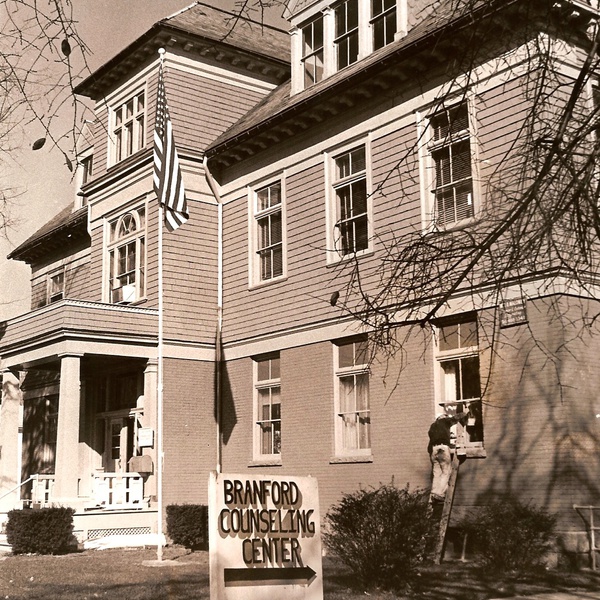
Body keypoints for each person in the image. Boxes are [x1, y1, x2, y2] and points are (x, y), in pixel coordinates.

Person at [428, 406, 469, 503]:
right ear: (443, 417)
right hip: (443, 449)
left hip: (434, 451)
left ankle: (434, 494)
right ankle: (440, 494)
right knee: (446, 472)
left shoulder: (432, 427)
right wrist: (466, 412)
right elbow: (456, 417)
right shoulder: (444, 421)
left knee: (437, 473)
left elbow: (436, 439)